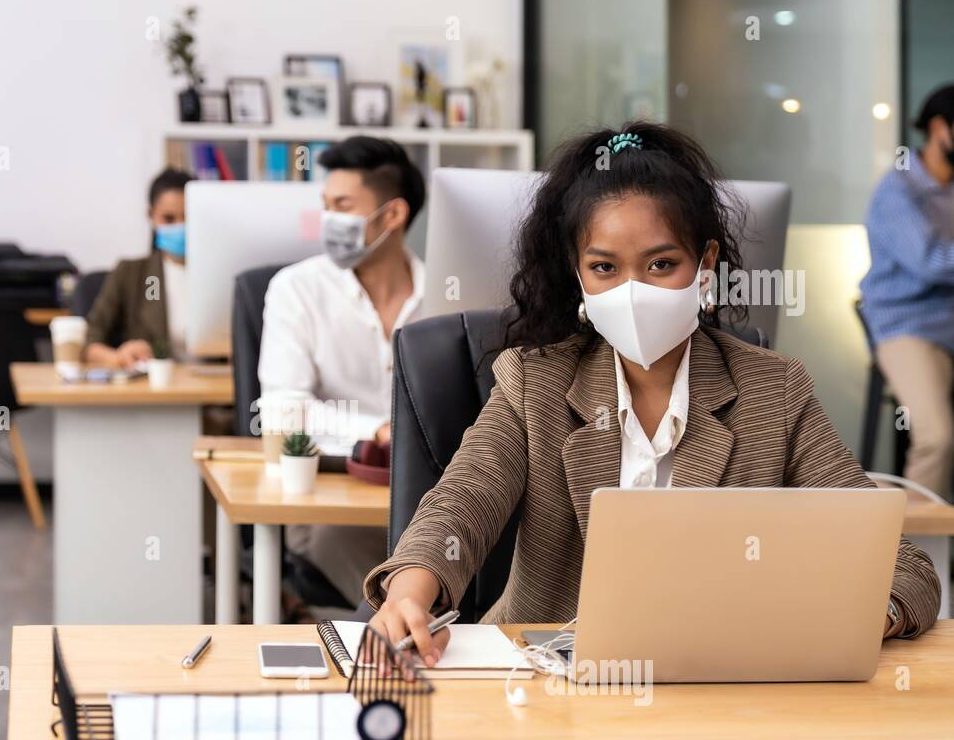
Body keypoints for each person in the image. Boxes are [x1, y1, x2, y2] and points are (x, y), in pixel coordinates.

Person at [362, 122, 941, 663]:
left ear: (705, 263)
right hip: (544, 681)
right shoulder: (532, 380)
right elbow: (460, 506)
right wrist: (411, 591)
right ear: (578, 274)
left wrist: (866, 614)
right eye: (605, 267)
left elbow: (899, 563)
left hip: (713, 683)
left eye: (661, 264)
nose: (632, 290)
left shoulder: (774, 390)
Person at [258, 136, 427, 609]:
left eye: (343, 205)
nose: (328, 219)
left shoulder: (446, 293)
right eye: (325, 205)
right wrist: (375, 429)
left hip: (423, 497)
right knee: (346, 544)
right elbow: (284, 408)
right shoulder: (296, 289)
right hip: (327, 497)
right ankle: (403, 650)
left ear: (391, 216)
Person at [861, 83, 954, 499]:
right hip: (908, 327)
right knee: (937, 437)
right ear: (939, 128)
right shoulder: (898, 190)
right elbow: (930, 261)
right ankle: (915, 551)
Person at [86, 166, 193, 367]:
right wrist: (117, 357)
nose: (180, 226)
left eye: (188, 217)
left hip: (217, 390)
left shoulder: (226, 278)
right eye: (169, 219)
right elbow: (90, 342)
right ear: (151, 215)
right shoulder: (133, 274)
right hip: (156, 392)